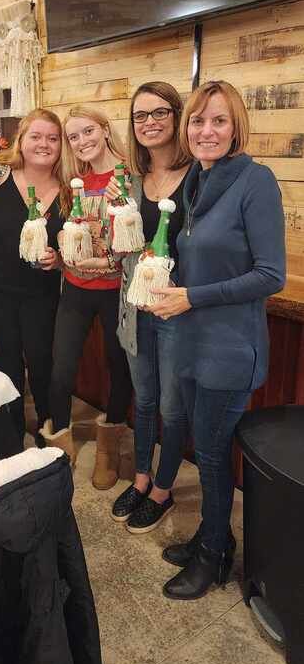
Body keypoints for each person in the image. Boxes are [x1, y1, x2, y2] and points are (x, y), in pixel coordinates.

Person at [148, 80, 285, 600]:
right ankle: (214, 537)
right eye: (199, 121)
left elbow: (269, 275)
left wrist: (192, 297)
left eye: (219, 121)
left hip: (229, 350)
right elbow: (196, 257)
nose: (207, 131)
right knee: (200, 448)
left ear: (235, 128)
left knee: (208, 454)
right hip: (191, 341)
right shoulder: (198, 182)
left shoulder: (256, 181)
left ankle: (213, 556)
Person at [108, 82, 191, 532]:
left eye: (160, 112)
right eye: (141, 116)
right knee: (145, 400)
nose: (150, 123)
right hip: (135, 307)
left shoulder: (197, 176)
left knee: (173, 406)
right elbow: (121, 248)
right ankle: (141, 480)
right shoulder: (131, 181)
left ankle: (162, 489)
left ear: (177, 117)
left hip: (177, 311)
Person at [39, 104, 133, 483]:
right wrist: (58, 256)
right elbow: (66, 238)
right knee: (60, 368)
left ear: (105, 130)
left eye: (88, 132)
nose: (81, 142)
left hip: (116, 292)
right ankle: (60, 444)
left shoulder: (129, 174)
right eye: (73, 137)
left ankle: (108, 450)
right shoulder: (73, 182)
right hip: (76, 289)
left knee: (118, 367)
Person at [0, 108, 64, 442]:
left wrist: (59, 260)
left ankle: (47, 427)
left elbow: (78, 239)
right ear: (21, 140)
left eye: (52, 138)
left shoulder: (71, 188)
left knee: (42, 362)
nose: (44, 144)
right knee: (7, 363)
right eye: (36, 136)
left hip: (43, 295)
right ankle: (11, 432)